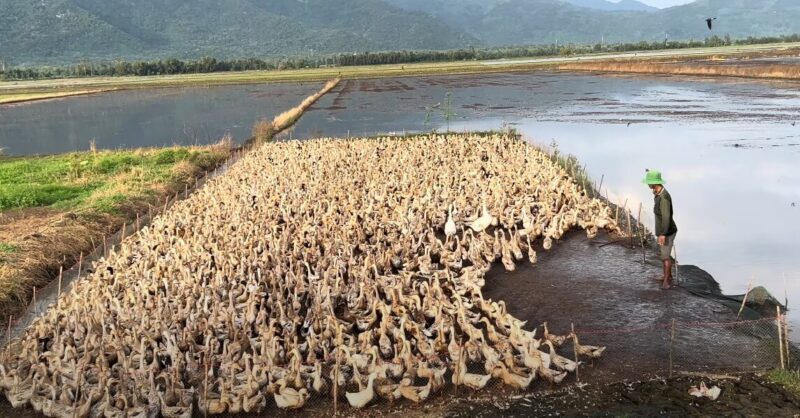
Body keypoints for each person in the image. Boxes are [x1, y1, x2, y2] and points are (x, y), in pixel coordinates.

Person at [643, 170, 678, 289]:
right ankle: (667, 276)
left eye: (649, 182)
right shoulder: (658, 193)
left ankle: (667, 281)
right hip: (664, 230)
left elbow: (667, 217)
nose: (648, 185)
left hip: (667, 230)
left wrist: (663, 234)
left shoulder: (664, 198)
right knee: (664, 254)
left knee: (665, 256)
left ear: (654, 183)